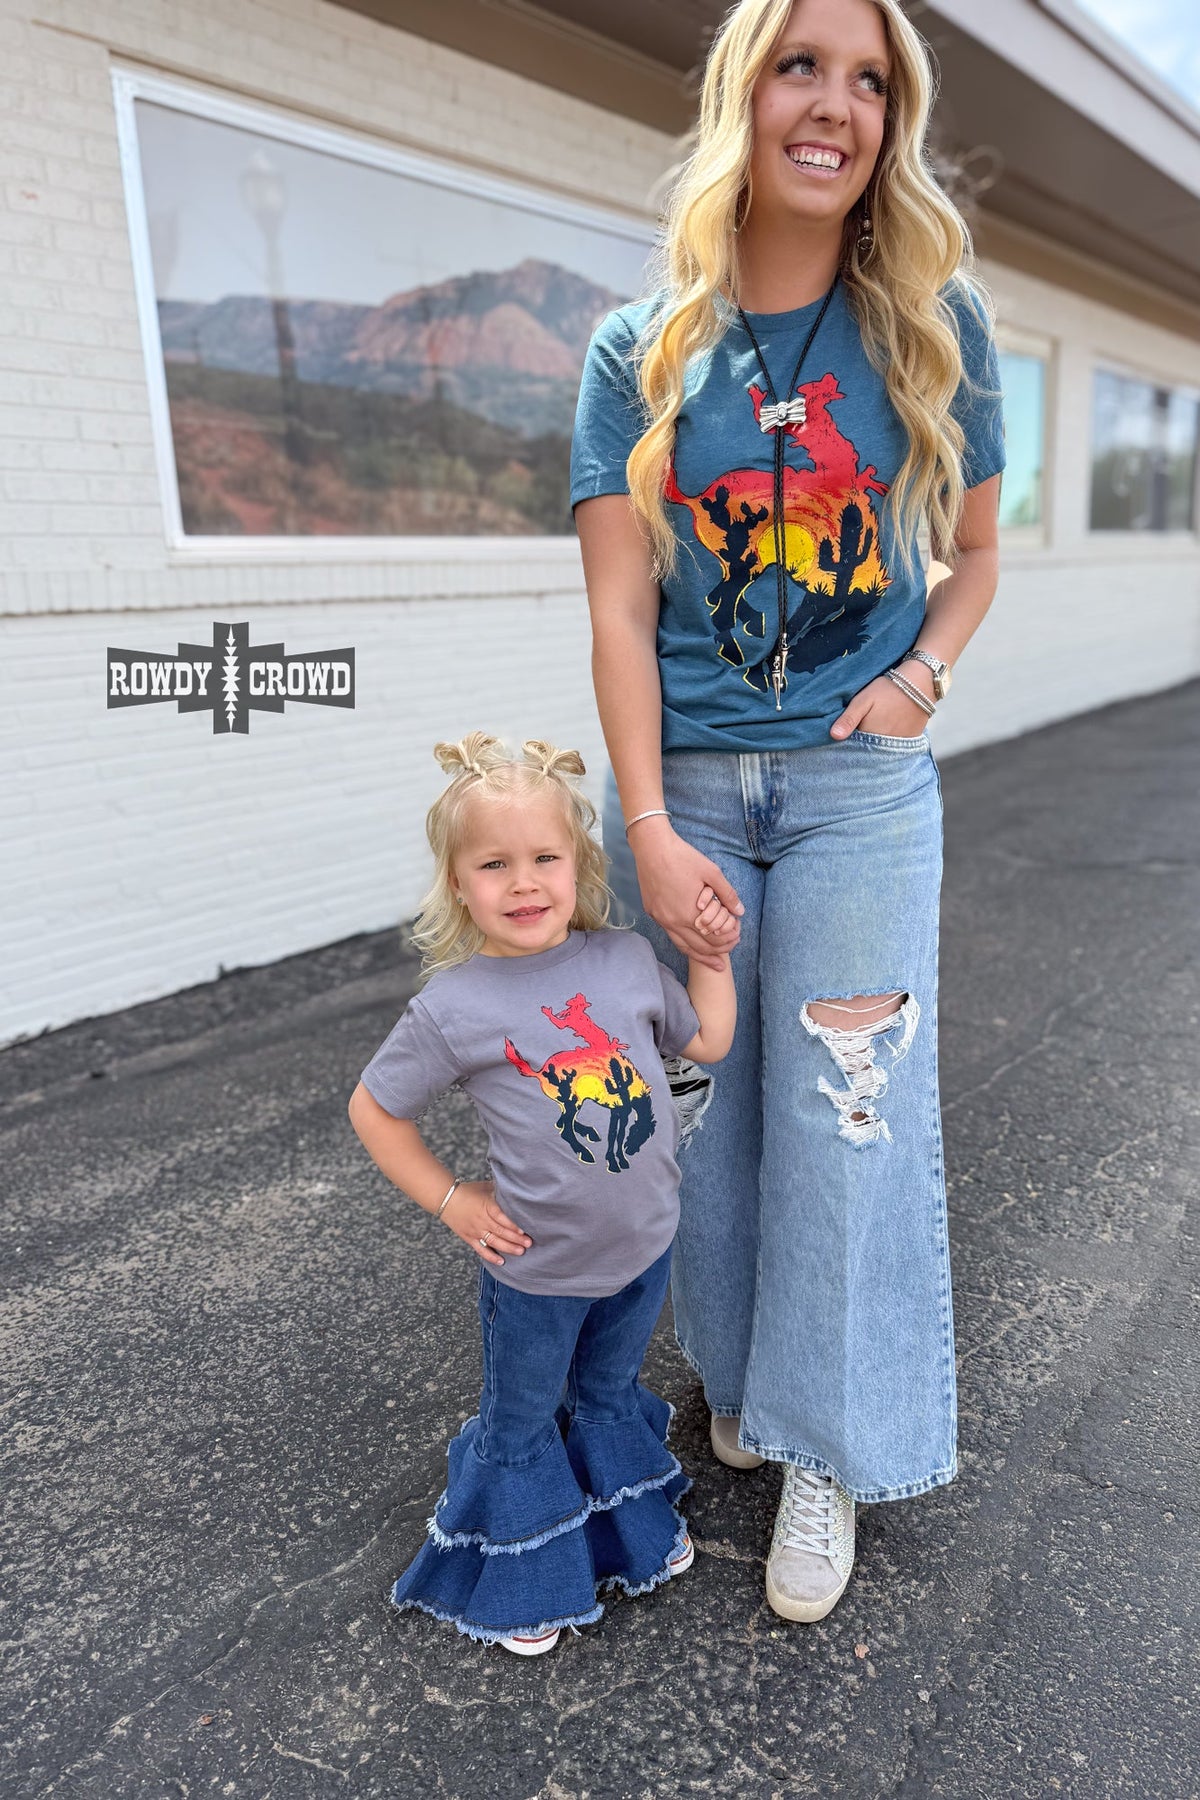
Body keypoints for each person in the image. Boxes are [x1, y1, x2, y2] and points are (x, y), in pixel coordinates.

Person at [570, 0, 1005, 1625]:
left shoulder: (931, 329)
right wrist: (646, 822)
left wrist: (922, 677)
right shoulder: (641, 351)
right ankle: (749, 1386)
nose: (835, 104)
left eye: (870, 80)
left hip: (856, 795)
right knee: (717, 1116)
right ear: (743, 94)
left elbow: (974, 557)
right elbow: (619, 609)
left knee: (844, 1114)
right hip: (690, 792)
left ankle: (831, 1446)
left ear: (892, 121)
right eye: (801, 67)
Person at [348, 733, 737, 1654]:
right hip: (535, 1273)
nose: (522, 884)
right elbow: (374, 1109)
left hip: (643, 1252)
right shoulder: (453, 1007)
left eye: (544, 859)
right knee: (522, 1422)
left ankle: (617, 1532)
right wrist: (452, 1200)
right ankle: (526, 1579)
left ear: (580, 866)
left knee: (606, 1395)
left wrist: (714, 959)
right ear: (457, 884)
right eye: (493, 865)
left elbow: (708, 1043)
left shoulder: (626, 961)